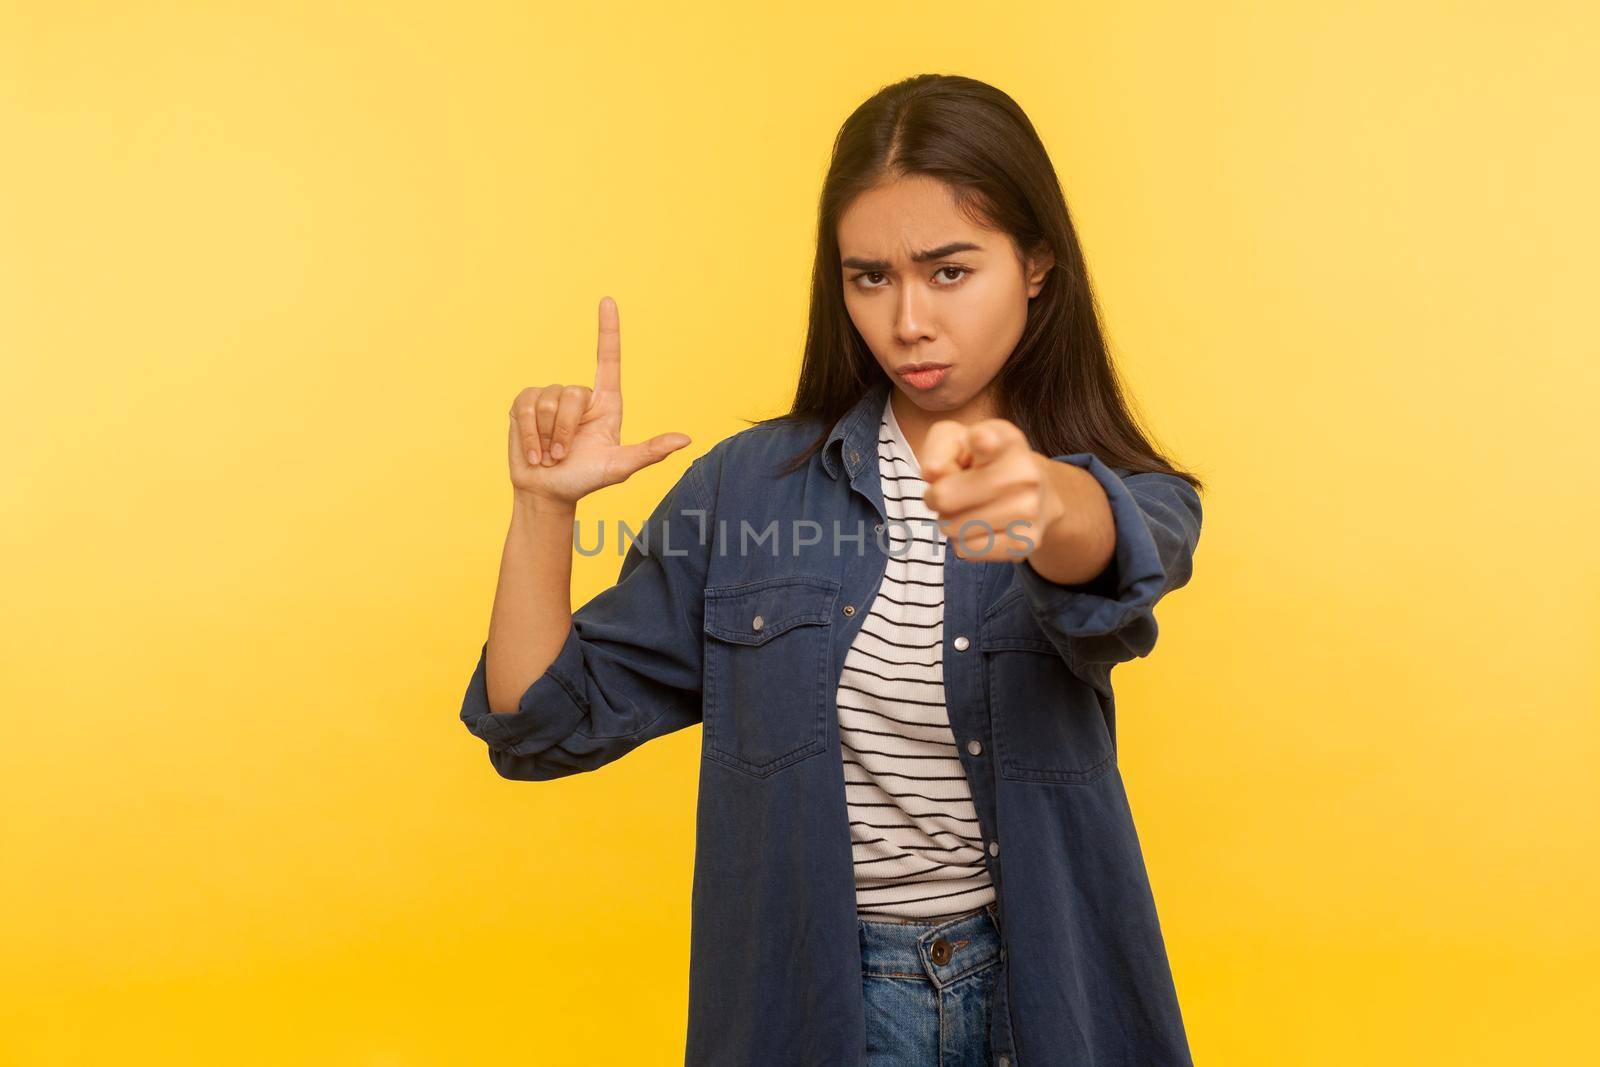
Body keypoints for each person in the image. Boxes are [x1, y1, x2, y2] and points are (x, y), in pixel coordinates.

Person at [459, 73, 1205, 1066]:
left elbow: (1100, 549)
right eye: (869, 277)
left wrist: (1034, 500)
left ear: (1033, 265)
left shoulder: (1113, 490)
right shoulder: (747, 491)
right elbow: (539, 723)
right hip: (821, 1005)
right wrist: (544, 506)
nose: (906, 321)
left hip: (1043, 996)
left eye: (948, 271)